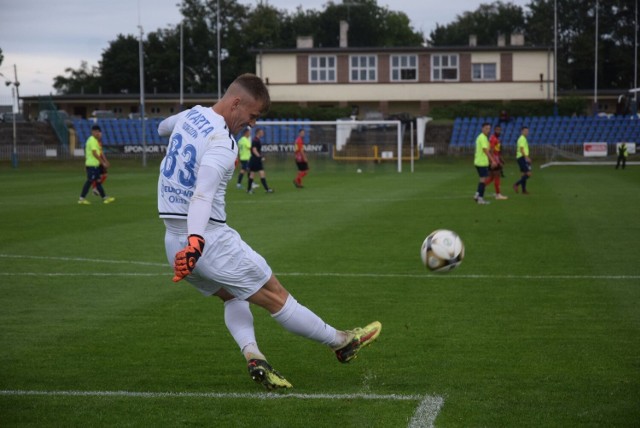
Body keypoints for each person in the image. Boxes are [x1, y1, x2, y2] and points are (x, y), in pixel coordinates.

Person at [156, 73, 381, 390]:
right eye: (252, 116)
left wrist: (189, 245)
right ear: (236, 103)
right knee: (277, 297)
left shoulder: (192, 115)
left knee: (233, 296)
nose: (249, 125)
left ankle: (253, 354)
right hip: (208, 240)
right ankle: (341, 342)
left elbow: (162, 127)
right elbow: (202, 195)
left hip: (172, 242)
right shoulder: (223, 142)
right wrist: (196, 243)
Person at [78, 125, 115, 205]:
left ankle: (105, 198)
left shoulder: (94, 140)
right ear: (93, 132)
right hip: (92, 165)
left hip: (94, 165)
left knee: (97, 182)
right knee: (89, 181)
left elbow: (97, 153)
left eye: (98, 132)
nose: (97, 133)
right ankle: (81, 199)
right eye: (95, 132)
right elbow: (95, 154)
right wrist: (103, 163)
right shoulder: (92, 140)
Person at [473, 122, 496, 205]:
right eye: (486, 128)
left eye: (489, 129)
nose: (488, 130)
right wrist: (492, 160)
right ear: (482, 129)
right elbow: (485, 150)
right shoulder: (482, 137)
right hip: (481, 162)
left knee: (482, 179)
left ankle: (477, 195)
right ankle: (480, 199)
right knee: (483, 180)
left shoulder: (483, 137)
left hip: (479, 162)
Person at [247, 127, 274, 194]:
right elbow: (254, 150)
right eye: (261, 132)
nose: (263, 133)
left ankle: (249, 190)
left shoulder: (256, 140)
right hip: (256, 159)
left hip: (254, 159)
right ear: (258, 133)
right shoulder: (256, 140)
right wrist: (260, 157)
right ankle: (266, 189)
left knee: (253, 174)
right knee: (259, 173)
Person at [484, 125, 508, 200]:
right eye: (497, 130)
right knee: (497, 176)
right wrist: (493, 161)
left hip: (495, 159)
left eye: (499, 130)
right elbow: (491, 150)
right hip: (494, 160)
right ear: (494, 130)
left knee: (491, 177)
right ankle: (498, 195)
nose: (498, 131)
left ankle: (480, 189)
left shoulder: (495, 138)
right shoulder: (493, 138)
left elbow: (496, 151)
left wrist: (501, 159)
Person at [513, 126, 532, 194]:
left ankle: (523, 190)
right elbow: (521, 149)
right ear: (522, 131)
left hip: (521, 157)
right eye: (525, 131)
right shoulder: (522, 139)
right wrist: (526, 157)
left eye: (527, 131)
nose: (527, 132)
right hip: (522, 158)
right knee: (528, 173)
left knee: (523, 174)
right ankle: (516, 184)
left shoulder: (523, 138)